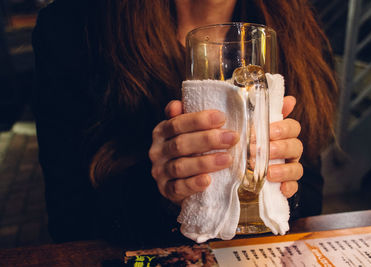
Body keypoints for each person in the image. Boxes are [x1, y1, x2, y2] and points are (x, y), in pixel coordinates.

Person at [32, 0, 338, 247]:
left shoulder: (298, 31)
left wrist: (280, 185)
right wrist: (164, 192)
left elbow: (310, 195)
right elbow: (69, 220)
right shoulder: (74, 28)